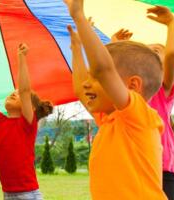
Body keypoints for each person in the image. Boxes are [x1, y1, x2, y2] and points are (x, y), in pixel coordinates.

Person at [65, 0, 166, 198]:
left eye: (94, 78)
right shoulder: (108, 119)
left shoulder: (139, 118)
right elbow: (79, 88)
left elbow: (104, 69)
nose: (87, 83)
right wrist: (76, 47)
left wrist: (79, 16)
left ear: (133, 86)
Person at [110, 7, 174, 199]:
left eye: (156, 51)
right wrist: (118, 48)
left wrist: (171, 23)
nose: (150, 54)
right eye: (146, 52)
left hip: (163, 165)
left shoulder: (162, 86)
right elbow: (109, 73)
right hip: (132, 163)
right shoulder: (129, 88)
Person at [0, 44, 53, 200]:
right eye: (12, 92)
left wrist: (21, 57)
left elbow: (25, 90)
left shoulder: (27, 123)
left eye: (17, 95)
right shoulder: (0, 121)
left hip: (28, 194)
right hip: (8, 194)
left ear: (30, 107)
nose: (13, 93)